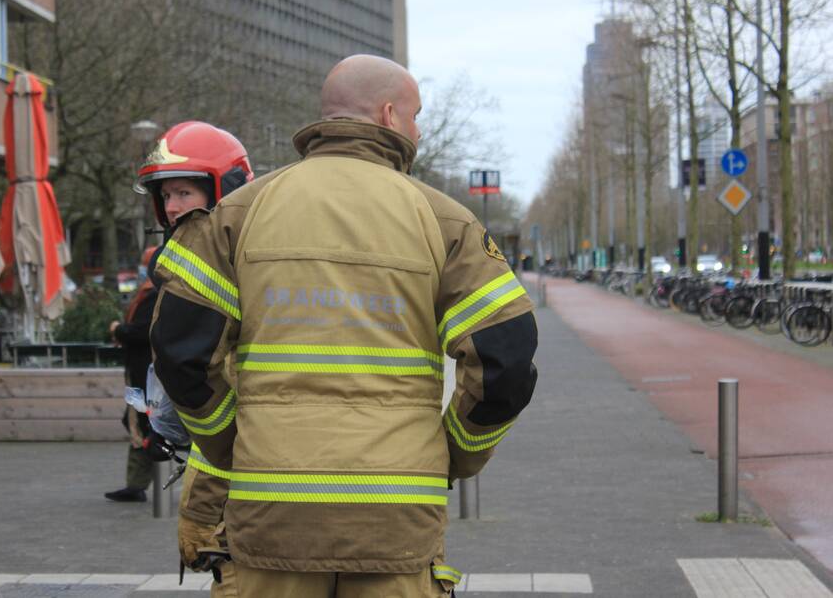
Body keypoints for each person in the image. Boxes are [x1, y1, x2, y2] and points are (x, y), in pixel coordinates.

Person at [151, 54, 538, 597]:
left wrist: (228, 445)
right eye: (416, 114)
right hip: (397, 512)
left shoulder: (235, 216)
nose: (419, 129)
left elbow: (179, 351)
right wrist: (454, 453)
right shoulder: (446, 222)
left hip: (269, 507)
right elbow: (507, 362)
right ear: (388, 115)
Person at [134, 121, 253, 596]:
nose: (172, 207)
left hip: (247, 469)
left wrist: (216, 433)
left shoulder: (229, 256)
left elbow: (189, 365)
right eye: (165, 195)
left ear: (227, 188)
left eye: (184, 191)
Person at [104, 245, 169, 503]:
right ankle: (136, 482)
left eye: (145, 264)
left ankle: (138, 483)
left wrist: (119, 330)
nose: (142, 269)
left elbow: (143, 332)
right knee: (137, 420)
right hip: (139, 371)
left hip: (145, 373)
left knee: (141, 421)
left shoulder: (153, 294)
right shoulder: (151, 293)